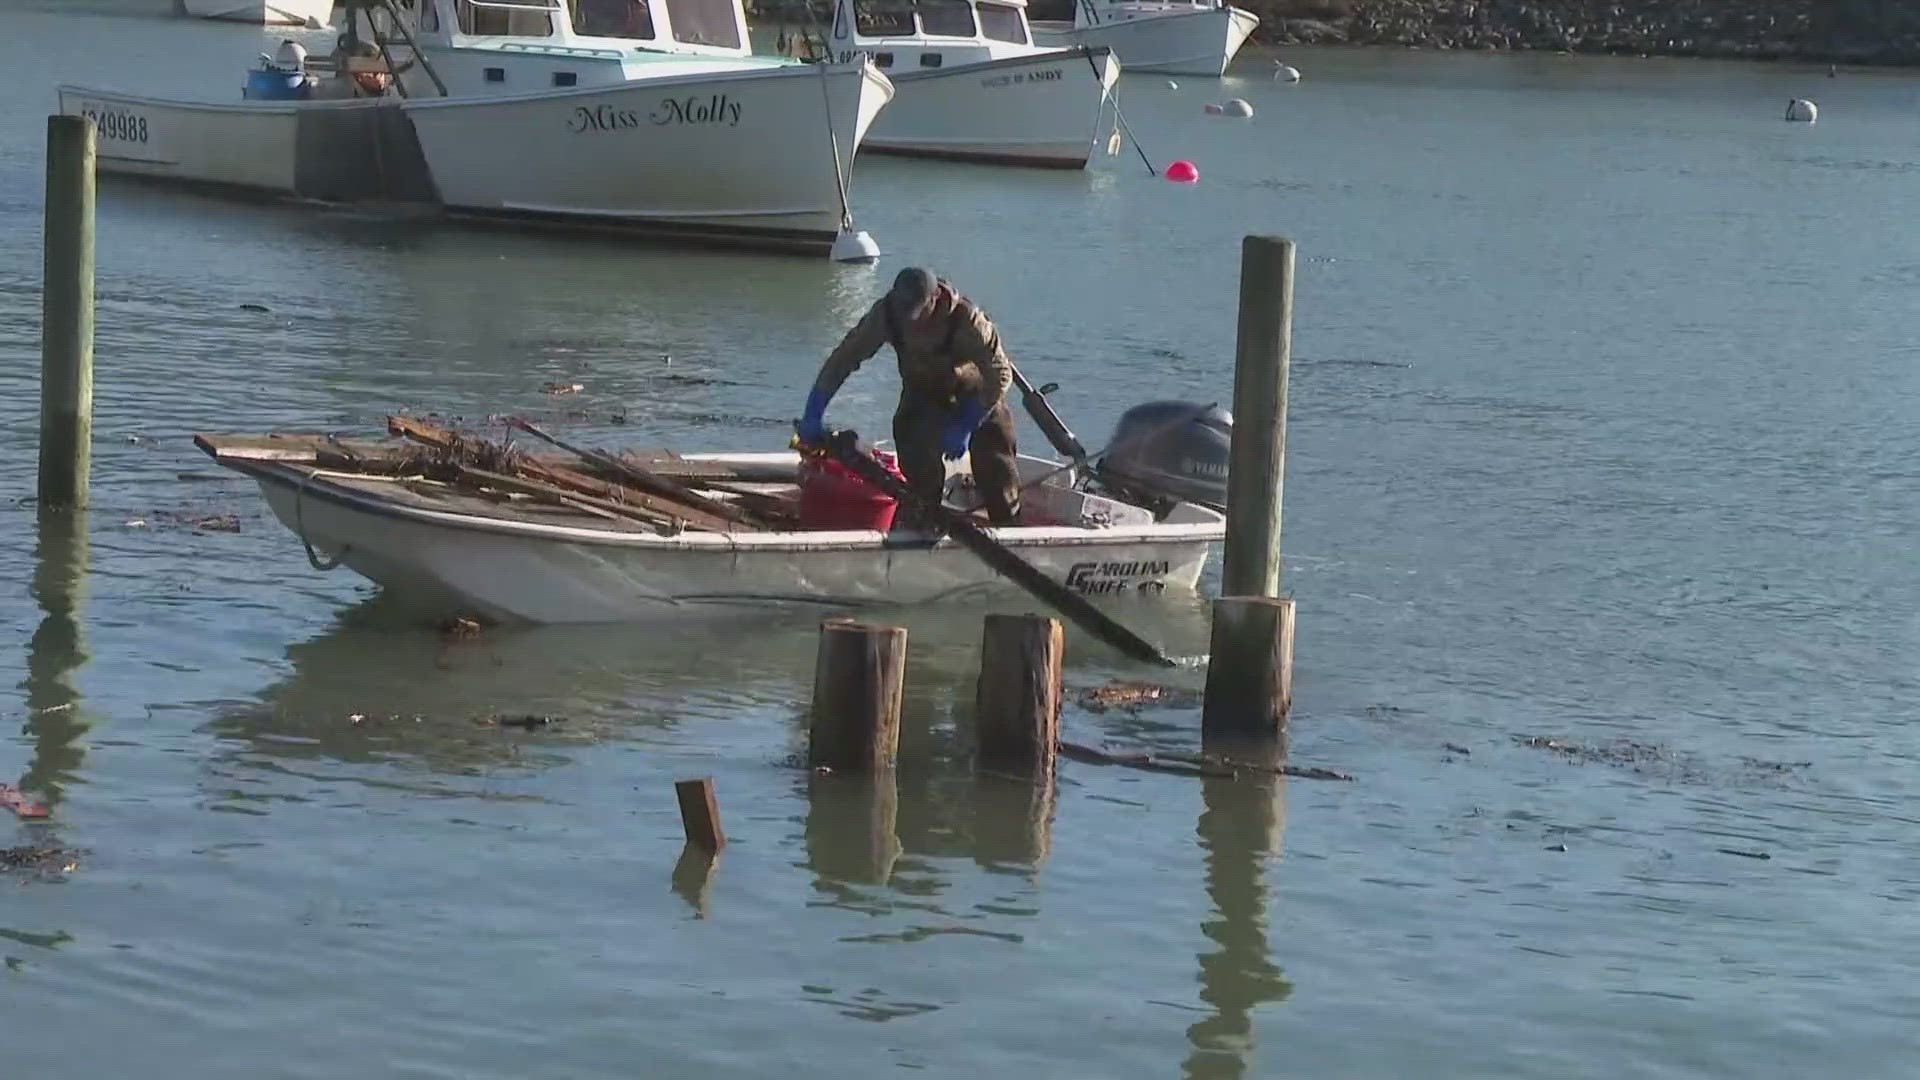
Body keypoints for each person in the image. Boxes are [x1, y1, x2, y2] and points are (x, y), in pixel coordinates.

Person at [798, 267, 1021, 526]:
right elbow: (845, 358)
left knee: (996, 468)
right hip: (923, 392)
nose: (910, 321)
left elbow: (1001, 375)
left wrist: (966, 423)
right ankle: (922, 524)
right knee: (917, 466)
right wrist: (814, 410)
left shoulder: (966, 320)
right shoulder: (887, 314)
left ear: (936, 298)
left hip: (976, 396)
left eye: (917, 313)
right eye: (904, 313)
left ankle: (1009, 530)